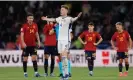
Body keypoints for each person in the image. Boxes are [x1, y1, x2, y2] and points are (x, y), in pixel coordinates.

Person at [41, 5, 82, 79]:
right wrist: (46, 18)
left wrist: (78, 17)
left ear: (66, 11)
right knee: (61, 57)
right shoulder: (59, 19)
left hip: (66, 40)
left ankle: (66, 74)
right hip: (59, 40)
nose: (61, 11)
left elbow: (74, 19)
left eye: (63, 10)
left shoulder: (69, 18)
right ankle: (64, 74)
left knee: (64, 56)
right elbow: (54, 19)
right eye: (61, 9)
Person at [20, 13, 41, 77]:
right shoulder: (24, 26)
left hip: (33, 45)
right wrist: (23, 43)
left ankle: (36, 73)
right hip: (26, 46)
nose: (31, 19)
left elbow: (37, 34)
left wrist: (39, 41)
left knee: (34, 58)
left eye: (32, 18)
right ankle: (25, 73)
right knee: (25, 59)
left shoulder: (35, 25)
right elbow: (22, 35)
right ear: (27, 18)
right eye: (29, 18)